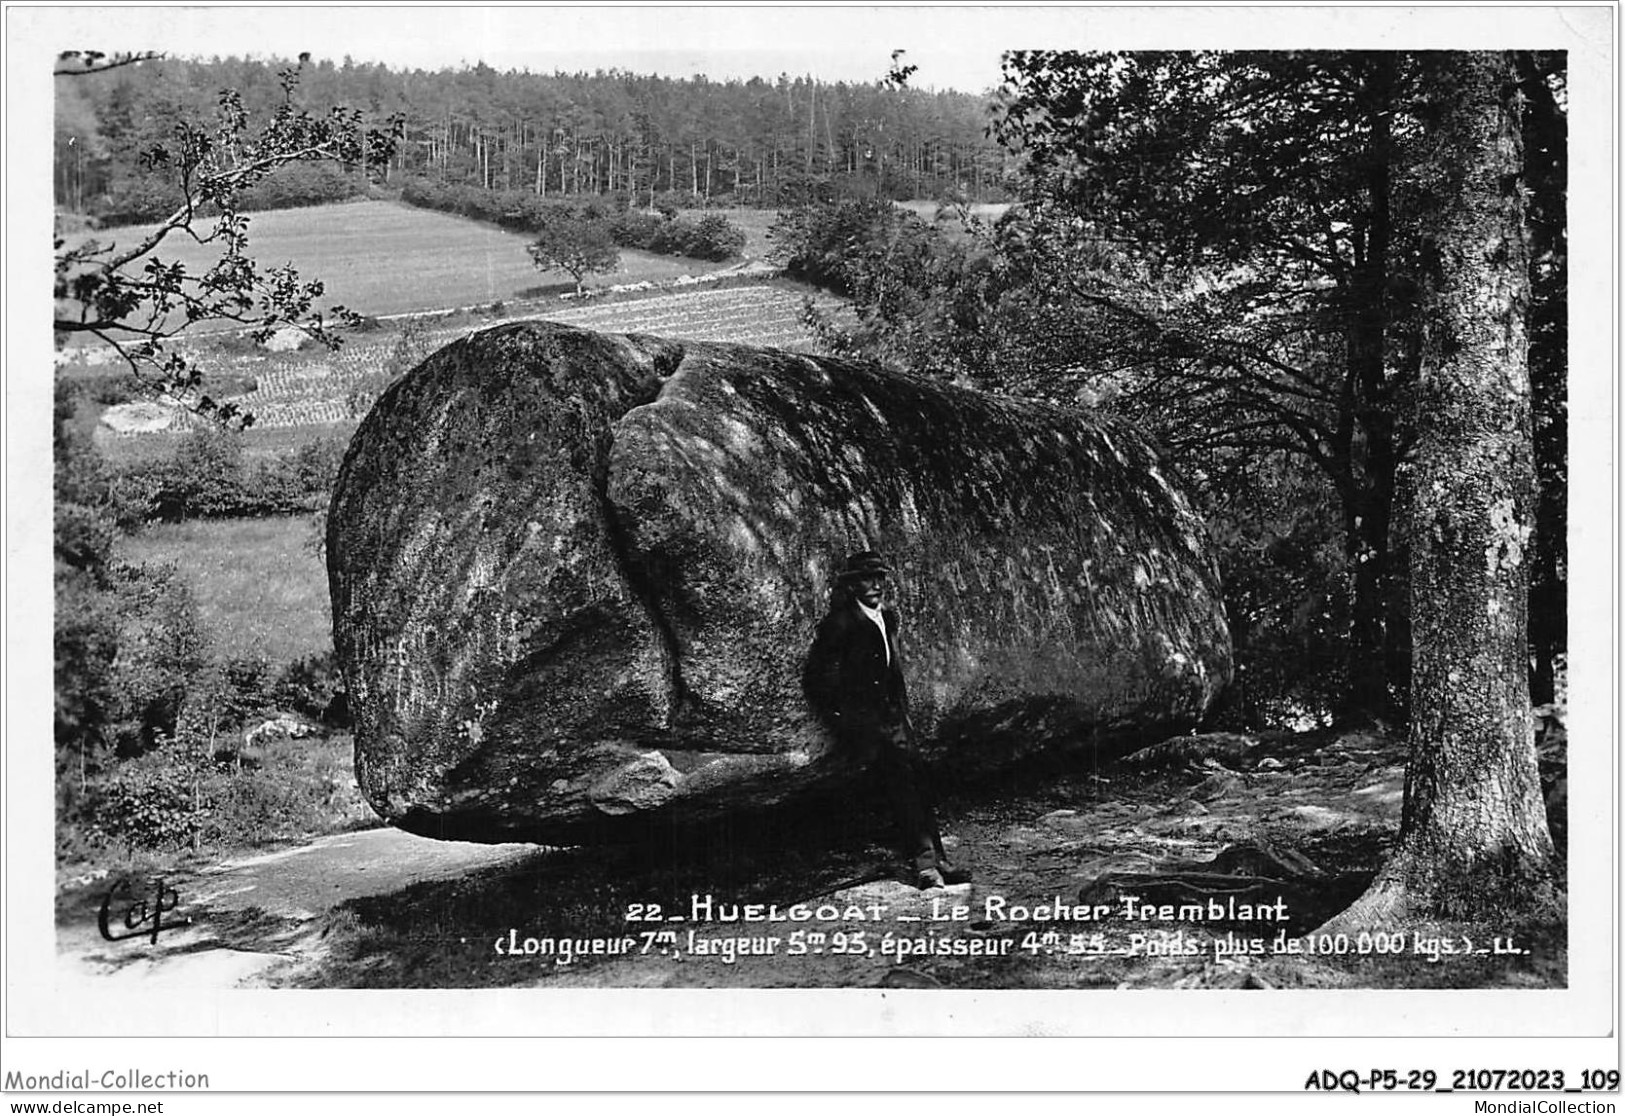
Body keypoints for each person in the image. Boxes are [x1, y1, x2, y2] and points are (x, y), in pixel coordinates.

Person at [802, 550, 970, 889]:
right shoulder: (842, 624)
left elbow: (891, 671)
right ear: (852, 586)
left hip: (895, 719)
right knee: (902, 789)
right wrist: (848, 720)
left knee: (920, 784)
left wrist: (901, 711)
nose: (876, 586)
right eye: (867, 579)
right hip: (870, 724)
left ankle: (939, 861)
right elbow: (816, 678)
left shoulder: (887, 617)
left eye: (880, 578)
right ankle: (925, 868)